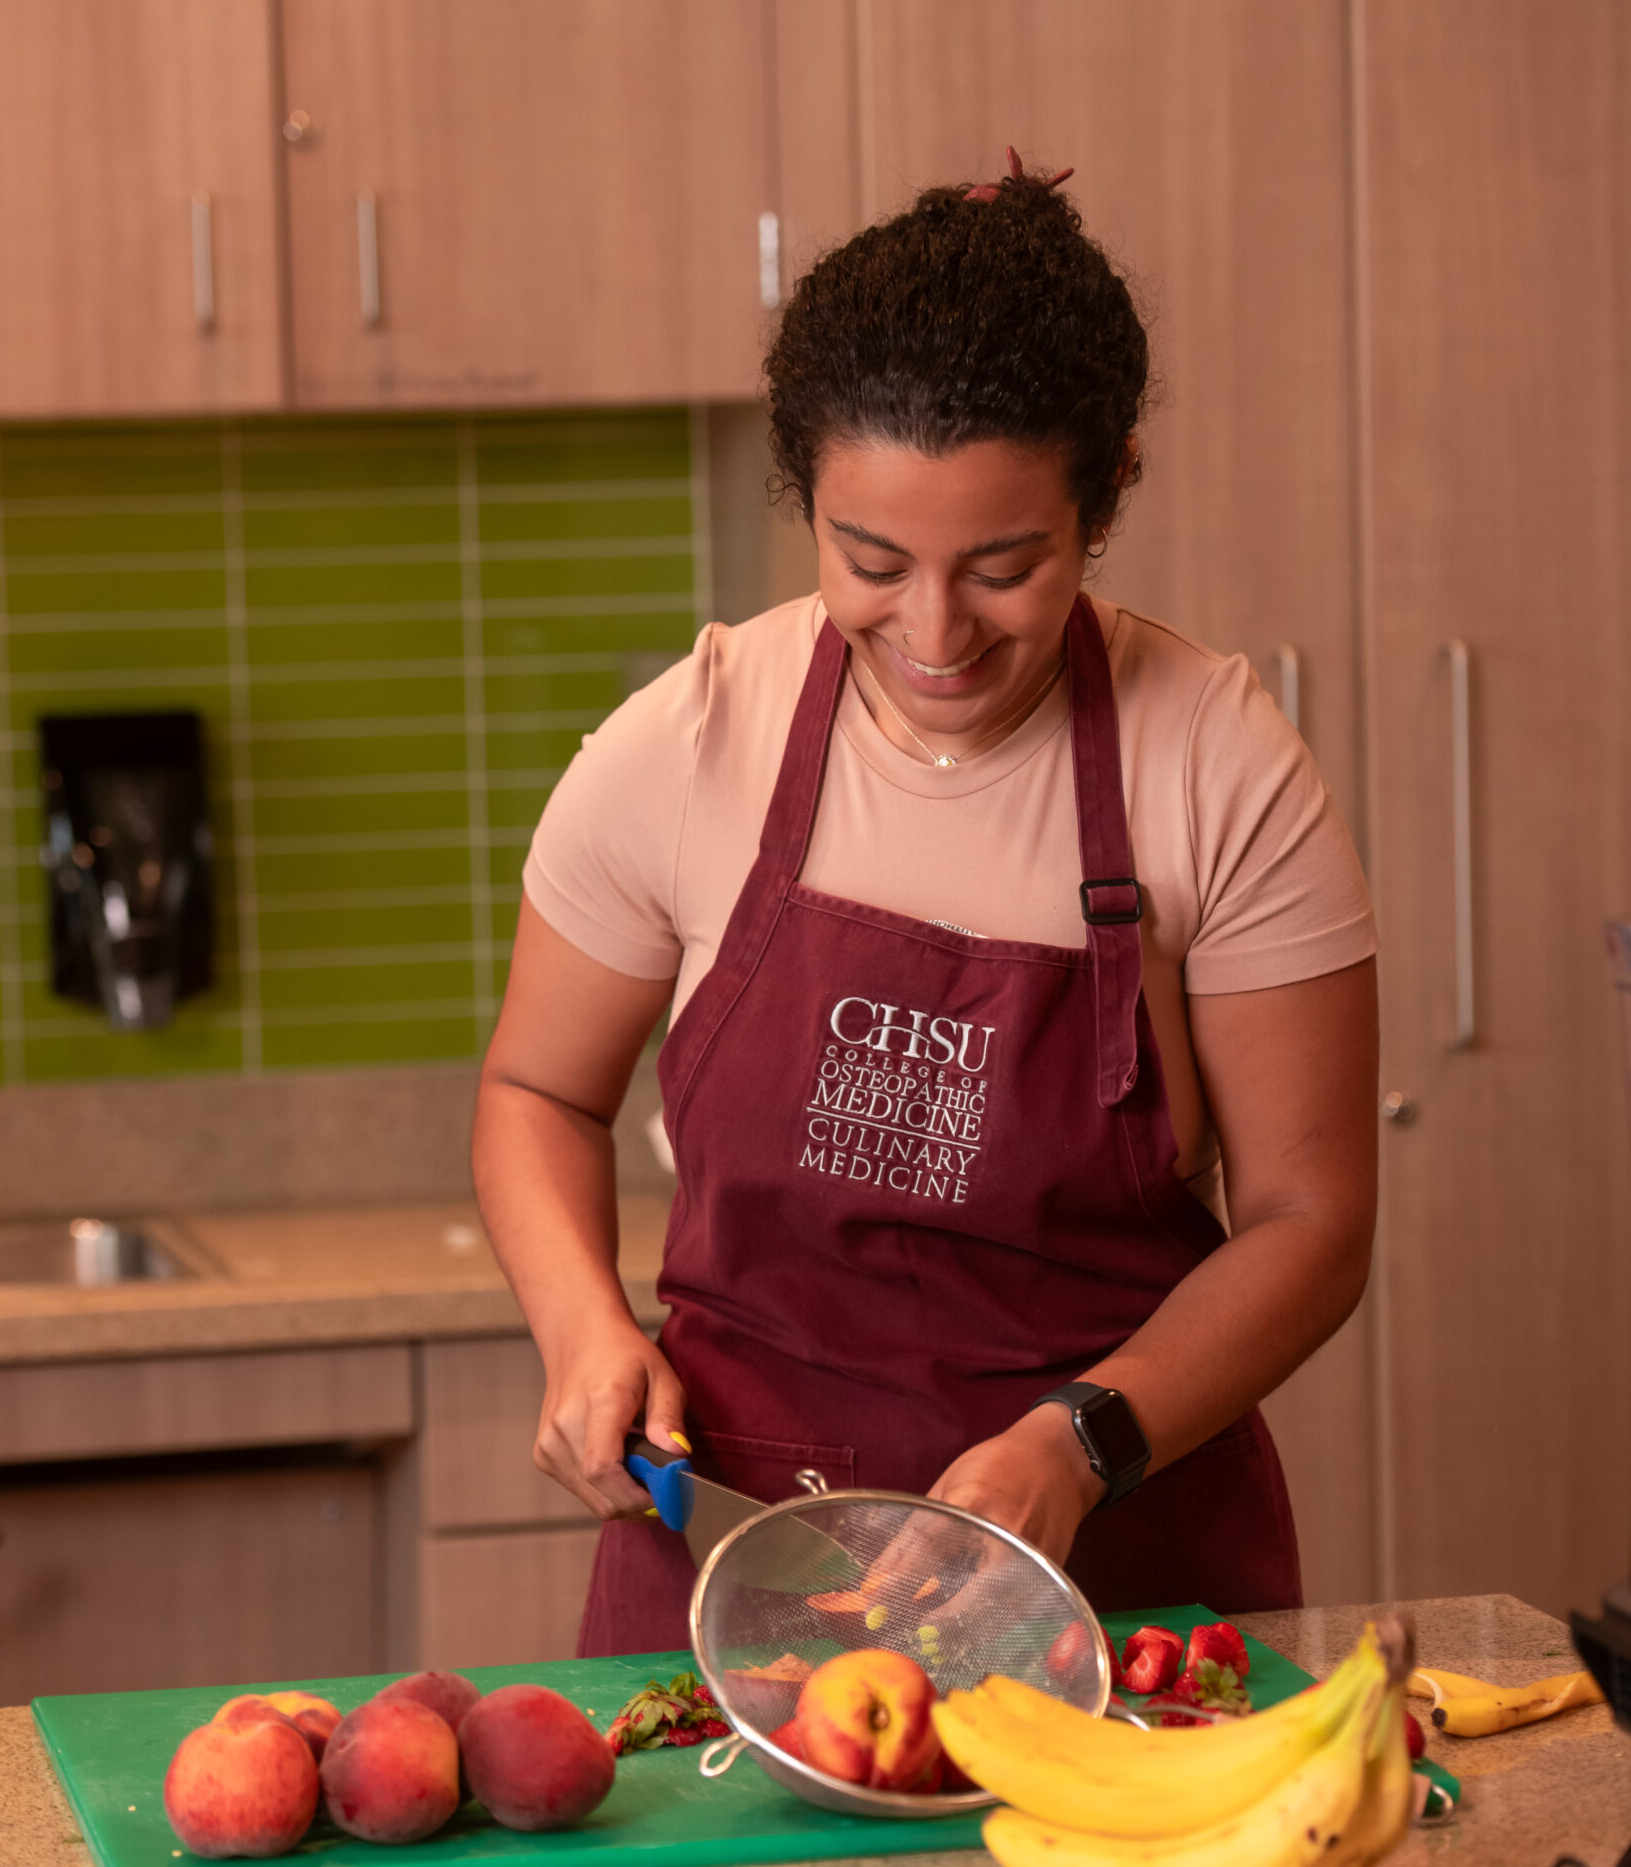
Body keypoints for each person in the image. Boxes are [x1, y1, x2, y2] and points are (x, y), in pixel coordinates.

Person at [472, 155, 1379, 1657]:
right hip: (734, 1572)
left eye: (1005, 566)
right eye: (871, 562)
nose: (936, 633)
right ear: (807, 503)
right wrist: (584, 1333)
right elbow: (533, 1089)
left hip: (1116, 1587)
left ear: (1107, 492)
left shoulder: (1215, 758)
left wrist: (1078, 1445)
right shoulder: (687, 741)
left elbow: (1310, 1220)